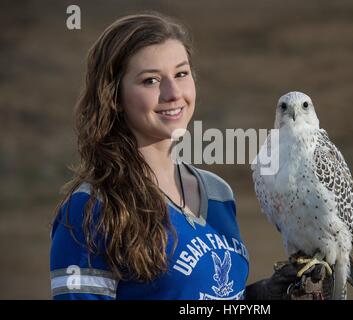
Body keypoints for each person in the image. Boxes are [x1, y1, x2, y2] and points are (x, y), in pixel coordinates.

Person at [50, 12, 313, 300]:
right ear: (114, 96)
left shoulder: (217, 193)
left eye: (181, 73)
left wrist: (262, 297)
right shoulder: (91, 208)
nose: (173, 92)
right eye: (150, 80)